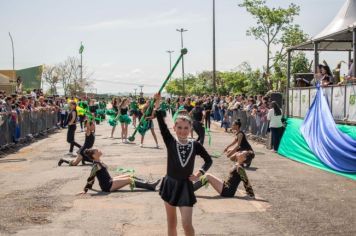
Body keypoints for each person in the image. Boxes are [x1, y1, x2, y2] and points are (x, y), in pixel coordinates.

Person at [154, 93, 213, 236]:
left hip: (186, 187)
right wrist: (157, 104)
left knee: (187, 225)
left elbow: (208, 160)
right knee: (172, 223)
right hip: (170, 184)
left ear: (190, 128)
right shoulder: (170, 142)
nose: (182, 131)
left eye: (186, 128)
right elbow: (161, 124)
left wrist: (199, 173)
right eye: (179, 127)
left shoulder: (195, 144)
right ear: (174, 128)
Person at [77, 148, 160, 194]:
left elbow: (108, 170)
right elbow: (91, 177)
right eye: (97, 150)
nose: (99, 150)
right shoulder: (96, 165)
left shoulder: (99, 162)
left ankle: (149, 183)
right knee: (129, 180)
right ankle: (151, 186)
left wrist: (123, 170)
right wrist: (85, 190)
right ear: (94, 155)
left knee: (129, 175)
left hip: (110, 180)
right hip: (108, 186)